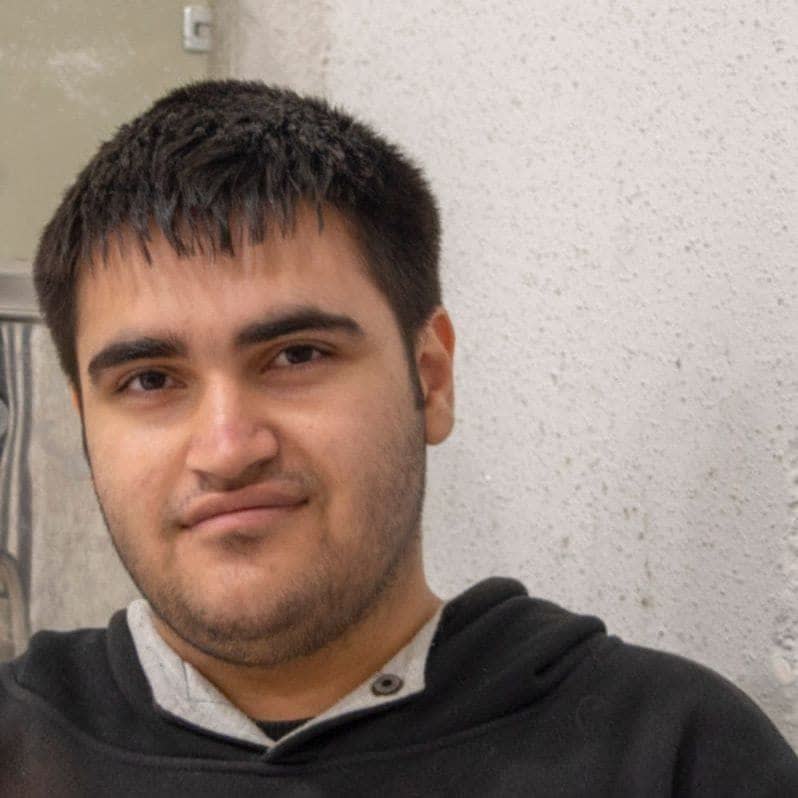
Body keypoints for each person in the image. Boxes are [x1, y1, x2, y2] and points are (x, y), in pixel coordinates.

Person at [1, 79, 795, 796]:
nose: (229, 448)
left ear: (431, 379)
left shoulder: (675, 756)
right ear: (86, 423)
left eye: (297, 356)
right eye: (150, 380)